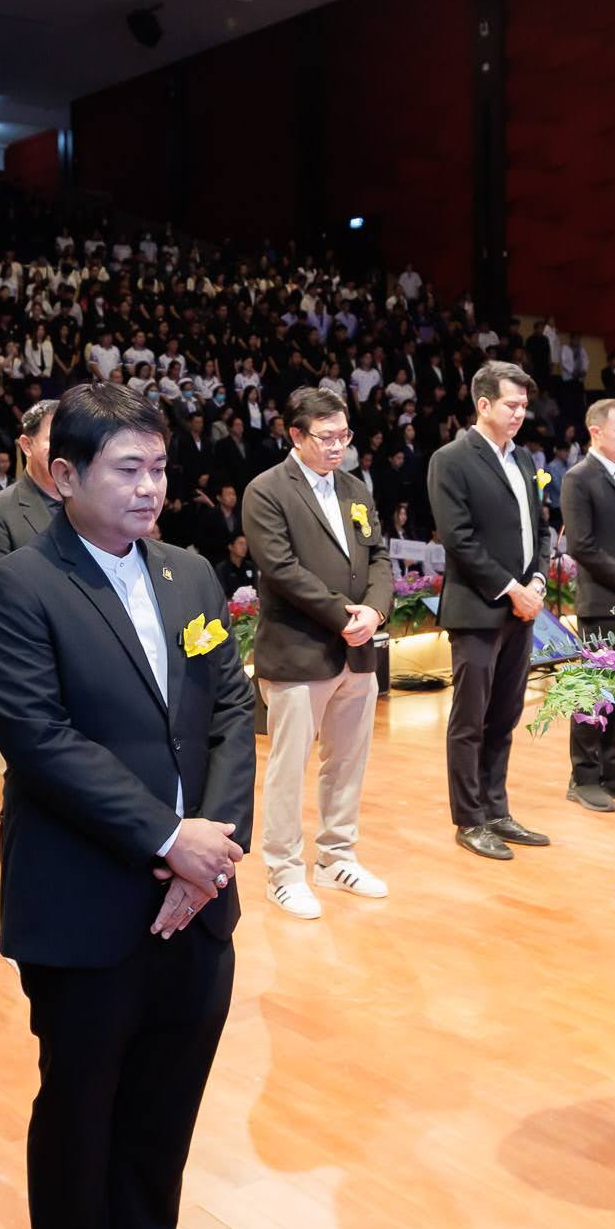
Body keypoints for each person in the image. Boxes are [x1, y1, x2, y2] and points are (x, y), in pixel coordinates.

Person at [0, 384, 254, 1229]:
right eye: (127, 470)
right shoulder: (21, 584)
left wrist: (206, 857)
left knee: (165, 1106)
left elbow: (231, 708)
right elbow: (40, 740)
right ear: (64, 477)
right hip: (87, 901)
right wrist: (167, 841)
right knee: (82, 1108)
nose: (150, 489)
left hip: (199, 898)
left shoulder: (189, 574)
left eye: (159, 469)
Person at [240, 386, 393, 921]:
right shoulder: (266, 490)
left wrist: (375, 612)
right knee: (289, 768)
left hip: (357, 650)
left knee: (347, 761)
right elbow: (280, 568)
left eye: (343, 436)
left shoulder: (354, 487)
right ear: (296, 435)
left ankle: (336, 857)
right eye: (326, 437)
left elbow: (379, 557)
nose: (337, 446)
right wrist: (343, 616)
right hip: (299, 650)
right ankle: (283, 872)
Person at [429, 361, 551, 859]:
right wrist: (511, 589)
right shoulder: (451, 459)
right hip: (478, 609)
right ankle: (470, 818)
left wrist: (537, 581)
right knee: (470, 720)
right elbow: (458, 539)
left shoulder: (522, 458)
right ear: (483, 404)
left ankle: (497, 809)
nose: (520, 413)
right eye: (511, 405)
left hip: (522, 608)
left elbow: (541, 529)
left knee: (504, 715)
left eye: (524, 406)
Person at [557, 396, 615, 812]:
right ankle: (584, 775)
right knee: (593, 690)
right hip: (600, 599)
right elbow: (582, 545)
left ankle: (611, 770)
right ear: (596, 432)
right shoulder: (578, 478)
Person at [0, 399, 59, 569]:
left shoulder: (91, 505)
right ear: (27, 445)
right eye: (53, 439)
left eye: (71, 440)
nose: (63, 449)